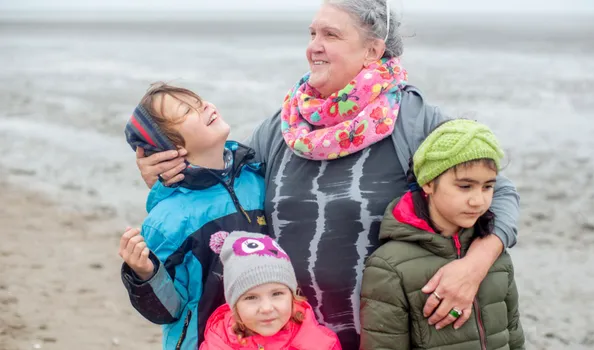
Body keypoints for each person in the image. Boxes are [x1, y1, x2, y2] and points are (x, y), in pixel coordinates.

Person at [133, 1, 520, 348]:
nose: (313, 46)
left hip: (387, 335)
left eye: (330, 35)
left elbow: (498, 192)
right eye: (312, 33)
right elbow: (224, 183)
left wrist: (473, 266)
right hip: (291, 336)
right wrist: (170, 173)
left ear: (373, 50)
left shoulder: (413, 121)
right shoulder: (283, 127)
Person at [118, 83, 269, 350]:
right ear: (171, 146)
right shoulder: (168, 219)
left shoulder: (257, 179)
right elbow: (168, 310)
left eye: (200, 102)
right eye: (188, 110)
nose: (207, 107)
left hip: (267, 336)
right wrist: (145, 273)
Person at [359, 119, 525, 349]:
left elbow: (513, 332)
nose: (478, 201)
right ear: (427, 183)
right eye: (465, 186)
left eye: (487, 187)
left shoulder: (495, 254)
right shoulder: (389, 267)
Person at [199, 231, 341, 349]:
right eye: (251, 297)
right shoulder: (216, 343)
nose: (266, 308)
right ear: (234, 305)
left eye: (277, 293)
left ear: (293, 296)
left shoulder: (322, 344)